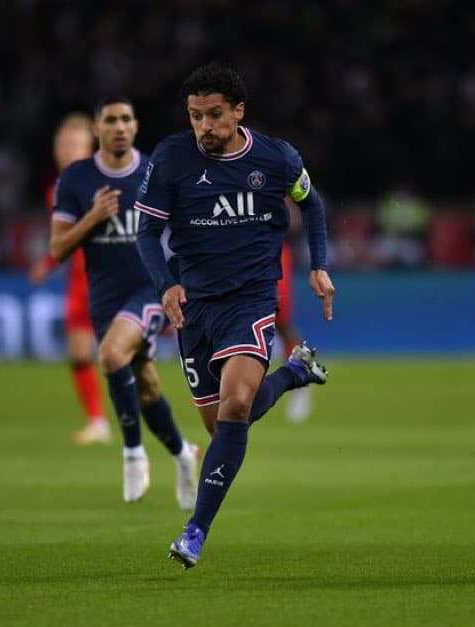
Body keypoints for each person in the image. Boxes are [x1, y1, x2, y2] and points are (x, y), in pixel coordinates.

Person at [136, 63, 335, 568]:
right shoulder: (171, 158)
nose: (204, 125)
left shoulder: (277, 158)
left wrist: (319, 265)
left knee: (237, 404)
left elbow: (312, 206)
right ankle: (293, 373)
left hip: (250, 299)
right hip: (195, 308)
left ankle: (195, 532)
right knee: (220, 426)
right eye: (195, 115)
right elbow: (146, 233)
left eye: (214, 114)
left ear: (238, 111)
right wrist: (166, 285)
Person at [50, 97, 200, 509]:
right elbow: (58, 248)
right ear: (97, 128)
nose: (119, 126)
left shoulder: (156, 172)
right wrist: (93, 217)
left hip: (151, 290)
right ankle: (184, 454)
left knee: (111, 354)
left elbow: (184, 232)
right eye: (110, 120)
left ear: (135, 126)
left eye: (126, 119)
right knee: (146, 387)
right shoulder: (76, 179)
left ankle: (133, 453)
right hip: (104, 298)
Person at [30, 113, 111, 446]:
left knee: (125, 358)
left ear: (89, 147)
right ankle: (97, 421)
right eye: (63, 145)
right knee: (78, 353)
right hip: (79, 282)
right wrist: (48, 263)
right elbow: (65, 238)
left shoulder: (106, 182)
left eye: (75, 145)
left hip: (110, 278)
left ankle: (162, 431)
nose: (68, 151)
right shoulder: (57, 189)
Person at [275, 207, 312, 423]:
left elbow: (296, 222)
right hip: (241, 256)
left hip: (274, 252)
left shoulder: (276, 189)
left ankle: (301, 375)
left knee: (281, 321)